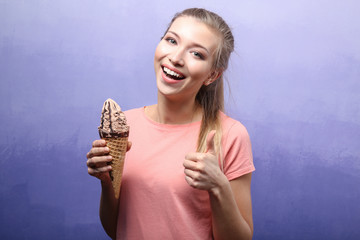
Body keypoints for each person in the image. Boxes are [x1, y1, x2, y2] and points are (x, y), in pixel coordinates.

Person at [86, 8, 255, 240]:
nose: (176, 58)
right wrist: (107, 182)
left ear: (212, 75)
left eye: (197, 54)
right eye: (171, 40)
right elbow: (116, 230)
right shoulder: (126, 126)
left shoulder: (230, 134)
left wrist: (219, 187)